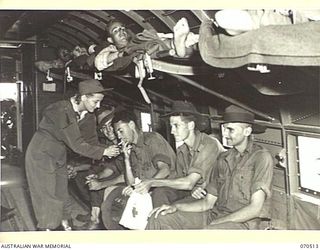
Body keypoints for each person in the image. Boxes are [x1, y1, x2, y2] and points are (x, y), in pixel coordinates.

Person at [146, 105, 273, 230]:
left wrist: (217, 223)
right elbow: (208, 203)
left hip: (242, 222)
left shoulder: (261, 157)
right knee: (160, 217)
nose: (225, 134)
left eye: (230, 130)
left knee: (207, 233)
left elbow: (255, 209)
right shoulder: (223, 158)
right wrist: (175, 207)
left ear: (247, 131)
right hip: (215, 214)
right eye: (224, 129)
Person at [25, 79, 115, 231]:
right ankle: (46, 232)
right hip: (41, 153)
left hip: (59, 155)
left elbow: (91, 142)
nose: (98, 106)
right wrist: (104, 152)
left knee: (61, 193)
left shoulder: (88, 116)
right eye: (95, 101)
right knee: (47, 196)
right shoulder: (61, 110)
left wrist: (111, 148)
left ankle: (65, 228)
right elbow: (77, 144)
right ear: (84, 96)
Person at [134, 100, 225, 208]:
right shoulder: (182, 150)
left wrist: (152, 182)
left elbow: (189, 183)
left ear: (191, 125)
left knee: (170, 206)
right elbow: (180, 180)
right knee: (160, 193)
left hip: (215, 196)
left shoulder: (209, 144)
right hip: (197, 192)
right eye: (171, 126)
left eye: (176, 125)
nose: (172, 131)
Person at [100, 109, 176, 229]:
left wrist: (145, 186)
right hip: (146, 188)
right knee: (112, 198)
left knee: (158, 195)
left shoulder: (152, 139)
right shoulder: (132, 149)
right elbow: (131, 183)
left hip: (167, 186)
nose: (119, 136)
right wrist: (126, 158)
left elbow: (165, 170)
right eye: (117, 133)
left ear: (131, 125)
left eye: (121, 131)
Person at [75, 105, 125, 230]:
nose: (108, 131)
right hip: (119, 175)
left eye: (110, 125)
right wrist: (97, 177)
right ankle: (94, 216)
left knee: (100, 183)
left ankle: (96, 218)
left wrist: (102, 183)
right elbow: (111, 167)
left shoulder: (126, 141)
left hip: (133, 180)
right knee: (93, 176)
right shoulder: (111, 144)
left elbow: (133, 174)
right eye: (104, 128)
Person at [93, 18, 198, 71]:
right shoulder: (109, 49)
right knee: (152, 46)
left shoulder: (135, 39)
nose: (122, 32)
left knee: (154, 40)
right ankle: (178, 45)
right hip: (139, 53)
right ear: (110, 40)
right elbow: (99, 63)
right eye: (116, 31)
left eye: (123, 29)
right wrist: (120, 54)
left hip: (146, 47)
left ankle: (182, 42)